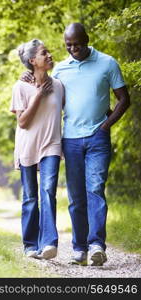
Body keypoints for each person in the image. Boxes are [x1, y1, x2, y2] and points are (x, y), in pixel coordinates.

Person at [22, 23, 131, 266]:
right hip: (70, 139)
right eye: (68, 45)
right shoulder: (61, 69)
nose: (73, 49)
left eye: (77, 44)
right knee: (75, 196)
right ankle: (79, 248)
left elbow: (124, 99)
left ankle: (96, 246)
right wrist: (27, 75)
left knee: (95, 188)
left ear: (87, 39)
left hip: (97, 138)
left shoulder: (107, 63)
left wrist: (106, 125)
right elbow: (43, 87)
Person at [10, 39, 64, 260]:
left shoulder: (59, 86)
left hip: (51, 144)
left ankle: (49, 243)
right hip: (28, 147)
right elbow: (23, 122)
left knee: (48, 191)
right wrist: (38, 95)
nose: (50, 55)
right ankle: (30, 245)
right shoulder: (20, 86)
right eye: (44, 53)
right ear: (33, 61)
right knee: (31, 197)